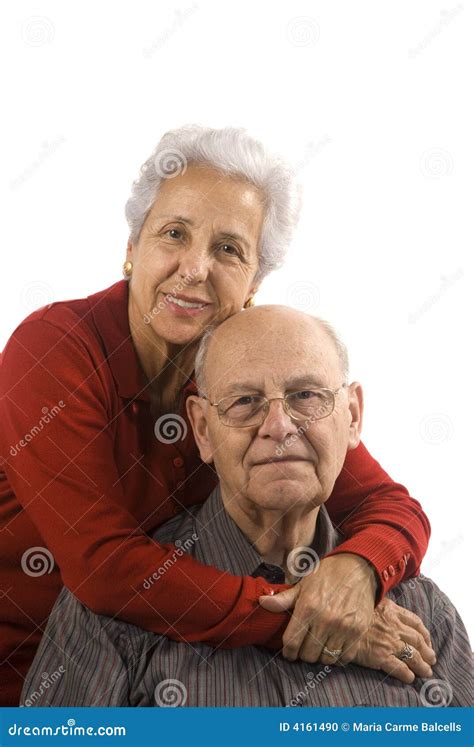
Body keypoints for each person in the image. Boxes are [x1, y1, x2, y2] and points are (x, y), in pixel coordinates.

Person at [1, 126, 430, 706]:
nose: (195, 268)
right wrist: (310, 621)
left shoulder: (246, 380)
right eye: (173, 234)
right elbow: (103, 566)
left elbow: (390, 506)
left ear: (254, 282)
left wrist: (358, 570)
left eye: (229, 249)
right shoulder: (54, 350)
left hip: (170, 674)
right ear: (132, 248)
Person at [21, 307, 471, 707]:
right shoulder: (111, 614)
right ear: (201, 430)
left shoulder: (420, 608)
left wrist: (360, 568)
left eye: (306, 396)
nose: (278, 426)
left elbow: (396, 506)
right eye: (244, 401)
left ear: (352, 416)